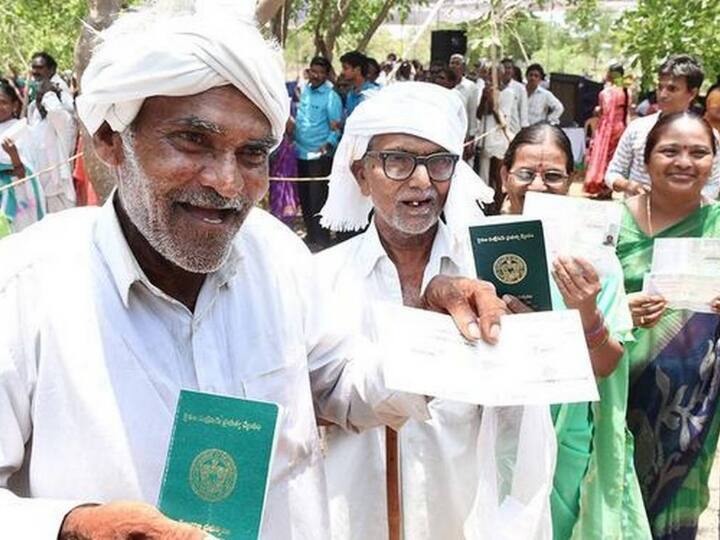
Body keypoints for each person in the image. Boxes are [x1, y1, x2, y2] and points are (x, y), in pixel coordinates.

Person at [0, 3, 505, 538]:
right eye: (192, 140)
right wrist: (74, 526)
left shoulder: (277, 256)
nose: (226, 182)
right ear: (109, 140)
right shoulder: (28, 287)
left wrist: (432, 329)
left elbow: (345, 384)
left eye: (251, 154)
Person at [318, 82, 553, 540]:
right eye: (397, 161)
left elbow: (522, 438)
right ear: (361, 175)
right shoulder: (317, 281)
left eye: (438, 162)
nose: (422, 182)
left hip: (462, 520)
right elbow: (304, 407)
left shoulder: (490, 278)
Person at [502, 123, 651, 539]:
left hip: (565, 432)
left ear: (571, 180)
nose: (539, 186)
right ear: (503, 175)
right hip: (493, 427)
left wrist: (584, 308)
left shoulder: (596, 261)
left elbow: (607, 364)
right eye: (525, 173)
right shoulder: (472, 245)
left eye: (553, 176)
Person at [616, 111, 720, 539]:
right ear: (646, 157)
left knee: (673, 514)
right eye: (670, 150)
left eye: (699, 152)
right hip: (613, 395)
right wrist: (621, 309)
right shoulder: (611, 225)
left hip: (690, 408)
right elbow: (578, 305)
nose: (684, 161)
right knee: (610, 502)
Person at [605, 54, 720, 199]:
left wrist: (685, 206)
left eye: (672, 89)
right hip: (637, 215)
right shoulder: (637, 128)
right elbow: (613, 172)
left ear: (692, 93)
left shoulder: (708, 136)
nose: (663, 94)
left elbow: (713, 184)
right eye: (660, 87)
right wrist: (629, 186)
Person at [293, 56, 342, 248]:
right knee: (304, 197)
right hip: (299, 152)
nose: (316, 75)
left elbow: (336, 128)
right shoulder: (304, 91)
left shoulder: (332, 97)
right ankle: (311, 236)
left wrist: (327, 145)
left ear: (327, 74)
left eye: (321, 72)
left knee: (318, 198)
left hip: (319, 156)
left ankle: (322, 239)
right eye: (314, 71)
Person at [26, 51, 77, 212]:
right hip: (41, 182)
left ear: (52, 69)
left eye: (40, 67)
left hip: (60, 185)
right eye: (33, 67)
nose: (35, 71)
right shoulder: (35, 102)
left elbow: (63, 117)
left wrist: (49, 94)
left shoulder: (58, 92)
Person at [0, 78, 45, 231]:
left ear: (14, 105)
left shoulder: (22, 130)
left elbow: (26, 174)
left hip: (19, 195)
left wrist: (13, 156)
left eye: (3, 102)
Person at [584, 63, 629, 198]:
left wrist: (597, 111)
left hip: (607, 127)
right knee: (613, 157)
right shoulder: (626, 91)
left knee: (602, 155)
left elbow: (604, 111)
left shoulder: (606, 92)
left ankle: (602, 186)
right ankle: (608, 188)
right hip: (621, 126)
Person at [449, 54, 480, 157]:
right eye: (452, 63)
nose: (453, 66)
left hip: (462, 135)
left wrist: (471, 139)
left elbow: (472, 113)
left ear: (463, 67)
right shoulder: (444, 84)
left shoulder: (470, 87)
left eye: (457, 63)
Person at [340, 51, 378, 118]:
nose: (342, 72)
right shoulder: (351, 93)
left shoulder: (371, 94)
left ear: (357, 69)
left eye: (345, 68)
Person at [500, 57, 529, 134]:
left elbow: (523, 112)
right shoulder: (495, 87)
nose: (507, 71)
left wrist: (524, 130)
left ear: (512, 71)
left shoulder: (520, 88)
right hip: (498, 130)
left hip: (514, 130)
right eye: (504, 68)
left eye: (509, 68)